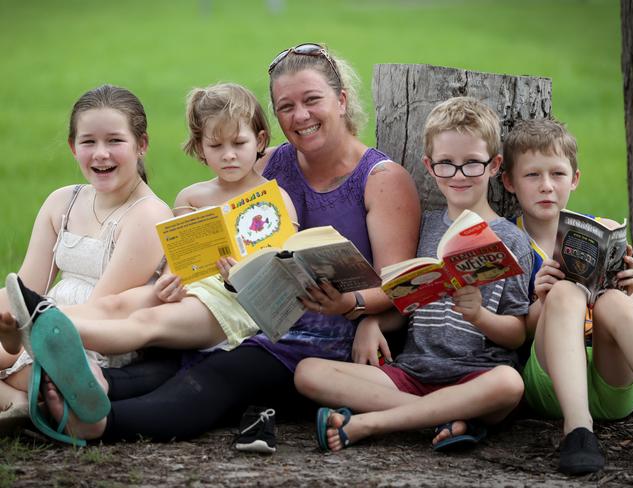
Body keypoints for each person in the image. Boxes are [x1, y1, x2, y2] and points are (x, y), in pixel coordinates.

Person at [29, 43, 422, 443]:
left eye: (312, 100)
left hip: (327, 339)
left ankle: (97, 425)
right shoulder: (269, 163)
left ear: (341, 100)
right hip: (255, 317)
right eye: (286, 106)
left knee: (218, 373)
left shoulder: (380, 178)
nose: (300, 116)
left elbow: (399, 285)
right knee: (169, 361)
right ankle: (77, 391)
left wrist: (358, 311)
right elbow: (223, 158)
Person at [293, 96, 533, 452]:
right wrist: (372, 323)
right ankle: (443, 418)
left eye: (472, 164)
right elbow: (406, 303)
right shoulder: (424, 227)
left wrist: (479, 315)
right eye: (446, 164)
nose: (458, 175)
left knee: (510, 384)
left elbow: (516, 335)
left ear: (494, 164)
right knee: (308, 372)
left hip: (477, 376)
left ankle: (371, 423)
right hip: (413, 373)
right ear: (429, 165)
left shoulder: (512, 239)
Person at [2, 83, 299, 366]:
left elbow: (284, 271)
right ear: (201, 148)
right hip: (184, 292)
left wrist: (237, 278)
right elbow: (179, 259)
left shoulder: (273, 199)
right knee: (114, 307)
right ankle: (32, 342)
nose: (229, 154)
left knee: (138, 318)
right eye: (216, 145)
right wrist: (173, 279)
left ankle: (39, 329)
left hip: (226, 301)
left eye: (239, 143)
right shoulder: (191, 196)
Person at [0, 85, 172, 429]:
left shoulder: (148, 215)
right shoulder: (62, 202)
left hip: (93, 339)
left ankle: (30, 399)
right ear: (72, 147)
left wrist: (13, 346)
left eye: (115, 141)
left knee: (22, 360)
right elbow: (26, 287)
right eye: (88, 141)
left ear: (142, 145)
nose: (101, 154)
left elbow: (102, 308)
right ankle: (20, 404)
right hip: (42, 322)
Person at [501, 118, 633, 476]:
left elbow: (625, 318)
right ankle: (578, 430)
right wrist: (542, 299)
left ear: (575, 179)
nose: (546, 186)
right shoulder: (509, 242)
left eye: (557, 174)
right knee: (565, 291)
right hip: (550, 382)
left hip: (613, 379)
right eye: (532, 175)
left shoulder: (600, 230)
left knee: (612, 301)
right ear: (509, 182)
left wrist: (629, 291)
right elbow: (518, 335)